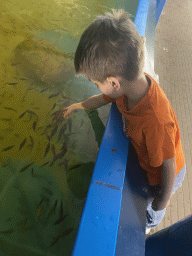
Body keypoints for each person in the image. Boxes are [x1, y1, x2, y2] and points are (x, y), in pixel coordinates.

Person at [62, 9, 186, 234]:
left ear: (113, 82)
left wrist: (162, 200)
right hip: (157, 159)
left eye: (94, 82)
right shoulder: (126, 89)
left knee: (150, 208)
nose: (96, 86)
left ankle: (152, 221)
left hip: (166, 175)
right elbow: (100, 99)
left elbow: (168, 165)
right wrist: (78, 106)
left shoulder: (155, 120)